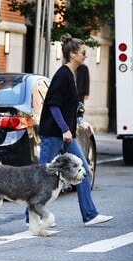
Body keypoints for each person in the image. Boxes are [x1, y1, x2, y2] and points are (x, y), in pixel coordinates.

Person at [26, 33, 113, 227]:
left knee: (83, 171)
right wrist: (65, 129)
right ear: (72, 54)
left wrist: (68, 132)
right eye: (83, 53)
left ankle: (89, 215)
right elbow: (54, 105)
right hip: (55, 135)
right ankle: (30, 217)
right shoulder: (62, 75)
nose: (85, 56)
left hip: (66, 137)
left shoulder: (70, 75)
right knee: (42, 176)